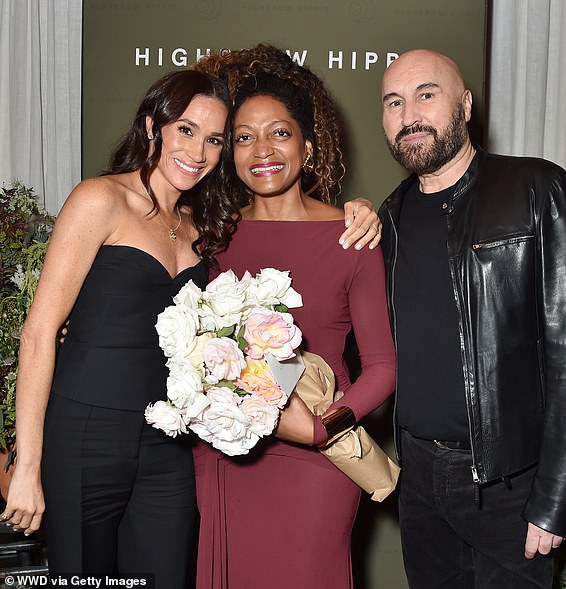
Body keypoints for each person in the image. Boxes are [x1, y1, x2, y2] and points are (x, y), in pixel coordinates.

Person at [1, 68, 379, 583]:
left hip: (171, 443)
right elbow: (40, 333)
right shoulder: (100, 200)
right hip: (87, 434)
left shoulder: (207, 228)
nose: (198, 151)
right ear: (154, 127)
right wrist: (26, 466)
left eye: (215, 140)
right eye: (186, 130)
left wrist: (358, 212)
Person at [378, 49, 566, 588]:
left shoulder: (537, 188)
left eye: (426, 95)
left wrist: (556, 497)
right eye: (394, 102)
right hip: (417, 477)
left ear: (464, 105)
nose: (409, 114)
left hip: (510, 484)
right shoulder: (388, 216)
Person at [192, 45, 396, 589]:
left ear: (307, 147)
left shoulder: (352, 237)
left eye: (279, 133)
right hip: (228, 455)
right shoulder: (213, 238)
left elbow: (382, 368)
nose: (262, 150)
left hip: (316, 462)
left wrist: (318, 429)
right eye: (243, 137)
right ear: (228, 153)